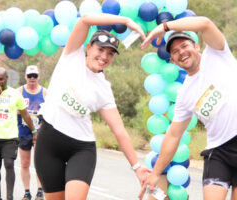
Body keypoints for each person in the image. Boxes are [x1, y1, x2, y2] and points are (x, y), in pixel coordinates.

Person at [139, 16, 237, 200]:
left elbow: (205, 23)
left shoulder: (218, 54)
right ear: (173, 61)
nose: (181, 52)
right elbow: (174, 135)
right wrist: (155, 173)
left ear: (197, 46)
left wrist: (164, 27)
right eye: (175, 52)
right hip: (219, 151)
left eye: (184, 46)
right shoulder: (184, 94)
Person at [34, 13, 150, 200]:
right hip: (49, 144)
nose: (104, 57)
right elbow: (85, 20)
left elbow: (119, 130)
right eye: (100, 50)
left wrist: (137, 167)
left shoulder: (103, 88)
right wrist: (126, 21)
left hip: (80, 148)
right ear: (88, 47)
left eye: (110, 53)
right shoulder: (71, 56)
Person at [0, 67, 36, 200]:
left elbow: (25, 114)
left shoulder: (15, 94)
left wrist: (34, 131)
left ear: (6, 79)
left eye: (1, 79)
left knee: (9, 164)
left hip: (10, 137)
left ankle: (9, 197)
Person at [17, 65, 47, 200]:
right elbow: (13, 111)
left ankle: (40, 190)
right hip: (24, 132)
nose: (32, 78)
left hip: (40, 134)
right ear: (25, 77)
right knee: (24, 163)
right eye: (30, 76)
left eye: (35, 76)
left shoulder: (45, 93)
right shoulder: (19, 92)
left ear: (39, 77)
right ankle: (27, 191)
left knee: (39, 162)